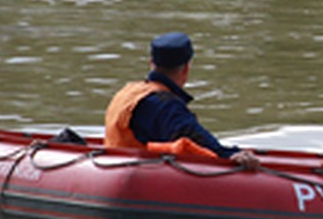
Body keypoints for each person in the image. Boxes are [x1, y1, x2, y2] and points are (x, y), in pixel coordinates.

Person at [104, 31, 257, 167]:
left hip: (110, 167)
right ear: (186, 69)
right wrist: (231, 155)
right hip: (135, 176)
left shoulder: (128, 92)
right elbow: (198, 141)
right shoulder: (163, 105)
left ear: (152, 64)